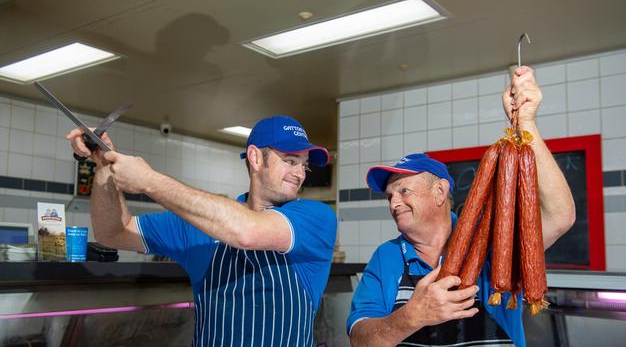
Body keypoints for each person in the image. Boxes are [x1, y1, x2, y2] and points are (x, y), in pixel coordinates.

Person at [347, 66, 576, 347]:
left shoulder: (492, 242)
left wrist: (526, 124)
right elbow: (359, 340)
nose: (394, 203)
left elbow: (560, 216)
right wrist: (411, 316)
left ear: (440, 191)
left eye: (403, 191)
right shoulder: (386, 257)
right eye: (389, 196)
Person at [67, 115, 337, 346]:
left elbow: (246, 231)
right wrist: (103, 163)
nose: (300, 173)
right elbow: (113, 232)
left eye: (304, 164)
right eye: (291, 161)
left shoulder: (315, 218)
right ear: (255, 157)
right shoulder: (201, 223)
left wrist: (150, 181)